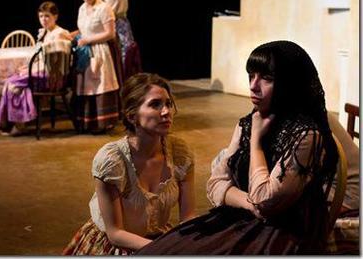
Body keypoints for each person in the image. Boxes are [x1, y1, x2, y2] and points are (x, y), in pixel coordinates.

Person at [136, 40, 339, 255]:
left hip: (284, 232)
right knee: (162, 250)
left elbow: (265, 199)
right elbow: (215, 183)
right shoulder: (251, 122)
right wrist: (249, 204)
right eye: (251, 76)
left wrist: (256, 144)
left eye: (266, 79)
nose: (253, 86)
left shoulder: (306, 135)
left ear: (288, 84)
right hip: (245, 217)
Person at [62, 73, 196, 255]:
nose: (166, 112)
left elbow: (188, 218)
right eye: (155, 104)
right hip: (116, 245)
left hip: (158, 240)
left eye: (168, 103)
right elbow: (115, 233)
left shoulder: (180, 154)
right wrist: (161, 250)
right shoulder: (112, 160)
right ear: (132, 116)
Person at [0, 1, 71, 135]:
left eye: (47, 16)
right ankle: (16, 122)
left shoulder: (59, 33)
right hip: (42, 73)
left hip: (52, 77)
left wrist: (33, 69)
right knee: (12, 82)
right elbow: (41, 57)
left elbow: (55, 64)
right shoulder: (45, 33)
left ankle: (19, 124)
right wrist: (29, 67)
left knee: (13, 84)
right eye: (41, 16)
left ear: (55, 17)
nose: (44, 19)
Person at [70, 0, 120, 133]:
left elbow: (110, 33)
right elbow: (84, 30)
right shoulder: (82, 8)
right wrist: (70, 35)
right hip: (85, 53)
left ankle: (102, 123)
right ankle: (87, 122)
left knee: (100, 84)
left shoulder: (104, 8)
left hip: (100, 51)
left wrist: (88, 40)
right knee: (85, 87)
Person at [99, 0, 142, 80]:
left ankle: (122, 82)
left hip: (117, 24)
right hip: (121, 22)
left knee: (122, 53)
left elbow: (108, 13)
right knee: (125, 52)